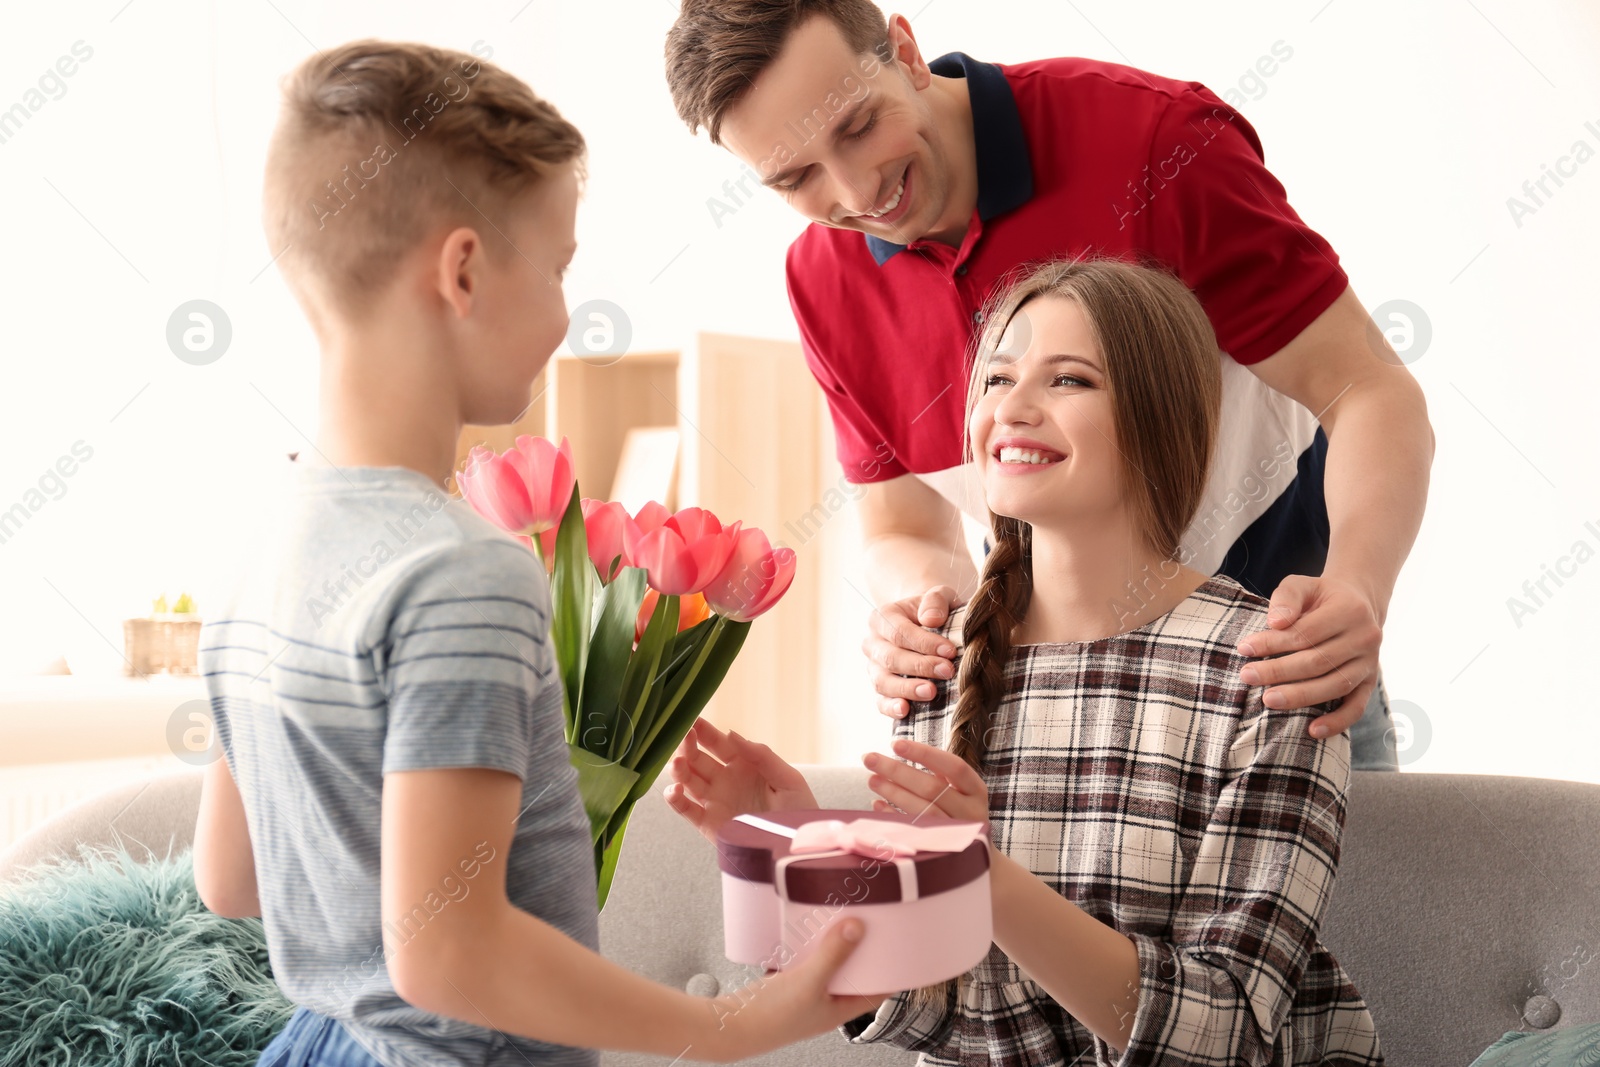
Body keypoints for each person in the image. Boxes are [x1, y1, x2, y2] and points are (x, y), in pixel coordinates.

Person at [190, 39, 883, 1067]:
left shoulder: (265, 542)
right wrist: (729, 1025)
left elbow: (232, 881)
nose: (565, 309)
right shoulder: (460, 575)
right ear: (464, 269)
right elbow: (446, 952)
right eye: (558, 266)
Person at [664, 0, 1433, 772]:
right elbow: (905, 527)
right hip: (1044, 727)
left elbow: (1368, 388)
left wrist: (1356, 587)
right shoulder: (822, 284)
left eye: (859, 125)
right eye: (796, 176)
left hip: (1281, 693)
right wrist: (924, 611)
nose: (857, 191)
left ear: (904, 49)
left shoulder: (1157, 144)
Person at [664, 255, 1384, 1064]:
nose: (1013, 408)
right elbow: (937, 1011)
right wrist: (790, 849)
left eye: (1068, 380)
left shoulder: (1272, 671)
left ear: (1160, 415)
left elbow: (1222, 1036)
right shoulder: (942, 664)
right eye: (996, 379)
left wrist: (981, 874)